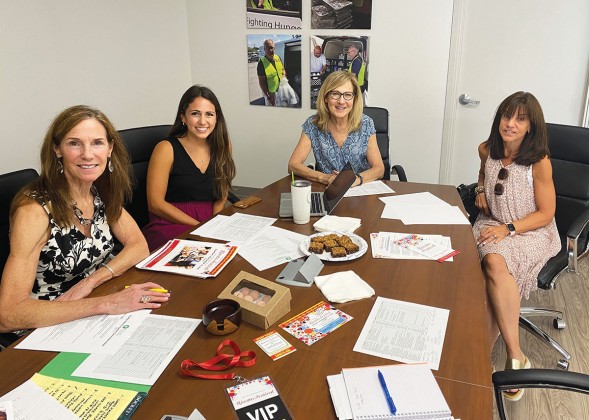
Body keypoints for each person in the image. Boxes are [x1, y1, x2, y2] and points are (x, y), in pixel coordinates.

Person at [0, 105, 166, 333]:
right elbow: (8, 315)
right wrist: (105, 303)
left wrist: (89, 283)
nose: (87, 154)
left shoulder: (98, 190)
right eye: (74, 143)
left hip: (94, 309)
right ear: (57, 149)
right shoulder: (34, 211)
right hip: (46, 325)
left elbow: (139, 246)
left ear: (110, 148)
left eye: (97, 142)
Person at [472, 91, 560, 401]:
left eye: (520, 119)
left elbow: (546, 213)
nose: (511, 124)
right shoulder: (487, 150)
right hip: (492, 224)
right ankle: (481, 357)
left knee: (494, 264)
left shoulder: (538, 162)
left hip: (529, 231)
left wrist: (508, 228)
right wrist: (481, 190)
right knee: (485, 276)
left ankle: (513, 354)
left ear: (531, 127)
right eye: (507, 117)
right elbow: (484, 174)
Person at [142, 85, 236, 251]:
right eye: (195, 114)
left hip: (209, 219)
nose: (202, 121)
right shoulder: (166, 149)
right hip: (171, 222)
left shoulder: (223, 146)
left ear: (216, 118)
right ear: (183, 117)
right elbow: (155, 204)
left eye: (209, 114)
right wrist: (199, 227)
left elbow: (222, 191)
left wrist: (214, 221)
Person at [288, 70, 384, 185]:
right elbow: (293, 165)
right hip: (327, 191)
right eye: (335, 94)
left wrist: (355, 180)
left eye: (347, 95)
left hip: (359, 191)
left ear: (354, 99)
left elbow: (379, 169)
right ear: (325, 98)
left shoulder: (366, 123)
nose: (341, 101)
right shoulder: (312, 124)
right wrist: (325, 178)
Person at [257, 39, 286, 106]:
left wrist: (284, 75)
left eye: (271, 48)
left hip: (280, 90)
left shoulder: (277, 57)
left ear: (274, 48)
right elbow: (261, 82)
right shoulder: (261, 63)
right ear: (264, 49)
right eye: (267, 48)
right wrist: (268, 97)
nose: (270, 50)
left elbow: (282, 69)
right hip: (271, 93)